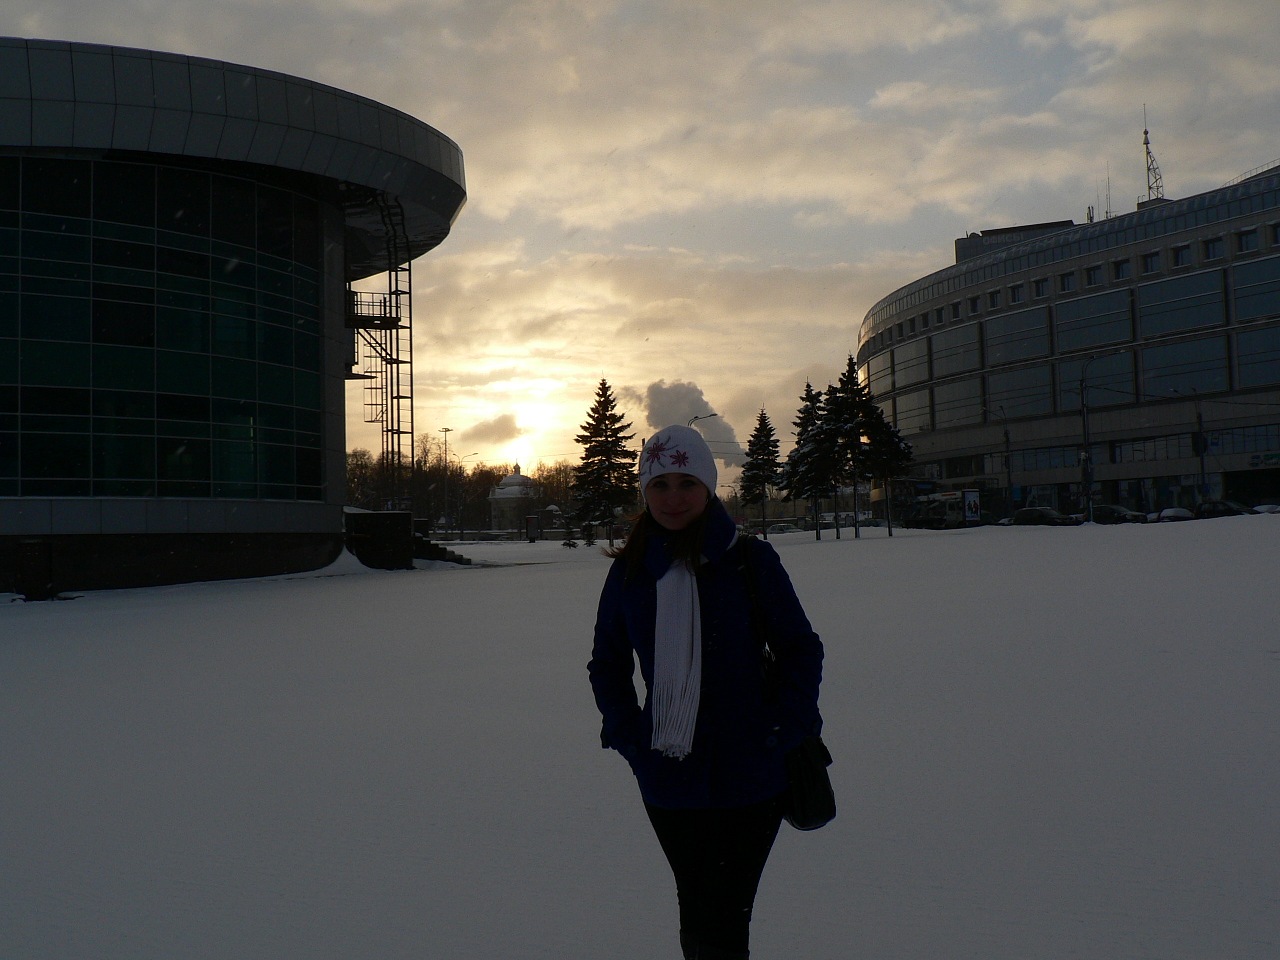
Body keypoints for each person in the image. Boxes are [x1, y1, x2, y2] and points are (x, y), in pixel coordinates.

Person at [588, 424, 824, 960]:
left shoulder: (750, 561)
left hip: (753, 772)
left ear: (709, 486)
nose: (673, 497)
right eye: (660, 484)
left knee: (727, 913)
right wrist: (630, 738)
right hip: (668, 773)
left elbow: (800, 648)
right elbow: (607, 663)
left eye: (686, 483)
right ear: (644, 490)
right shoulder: (630, 573)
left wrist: (782, 730)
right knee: (697, 907)